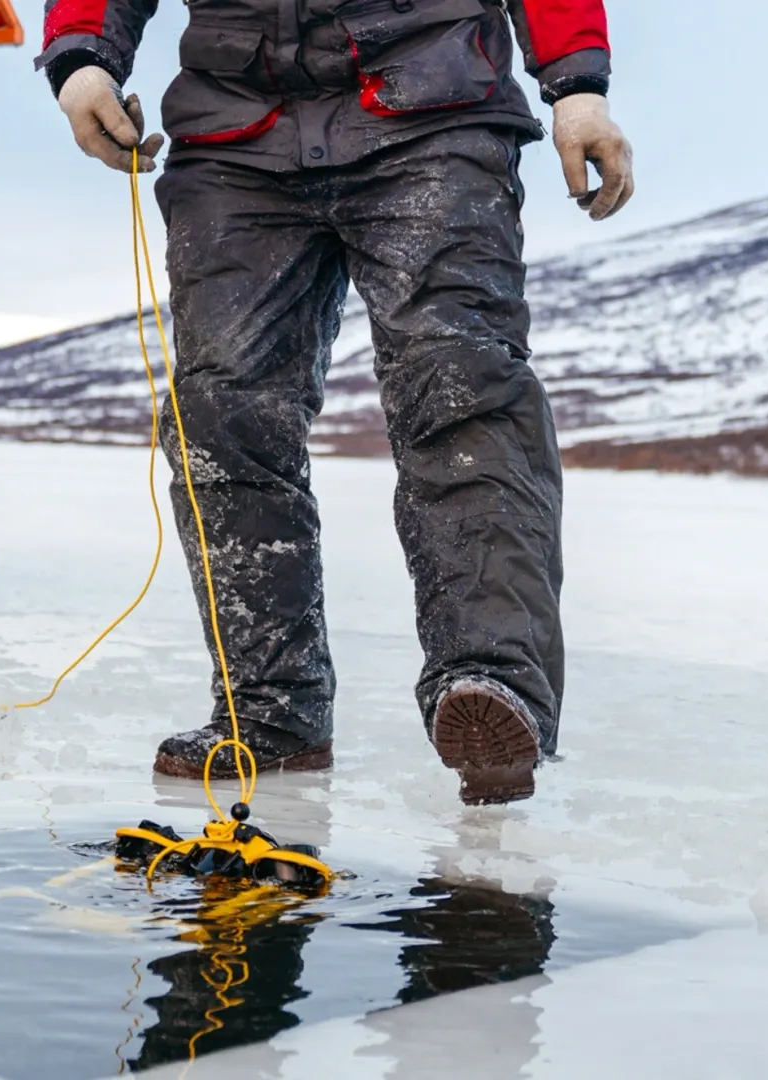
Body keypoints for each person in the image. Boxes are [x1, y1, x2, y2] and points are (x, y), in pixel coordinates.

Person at [38, 0, 633, 804]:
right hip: (234, 133)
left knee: (459, 385)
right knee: (221, 415)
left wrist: (577, 84)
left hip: (434, 112)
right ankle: (271, 713)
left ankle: (494, 687)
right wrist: (81, 61)